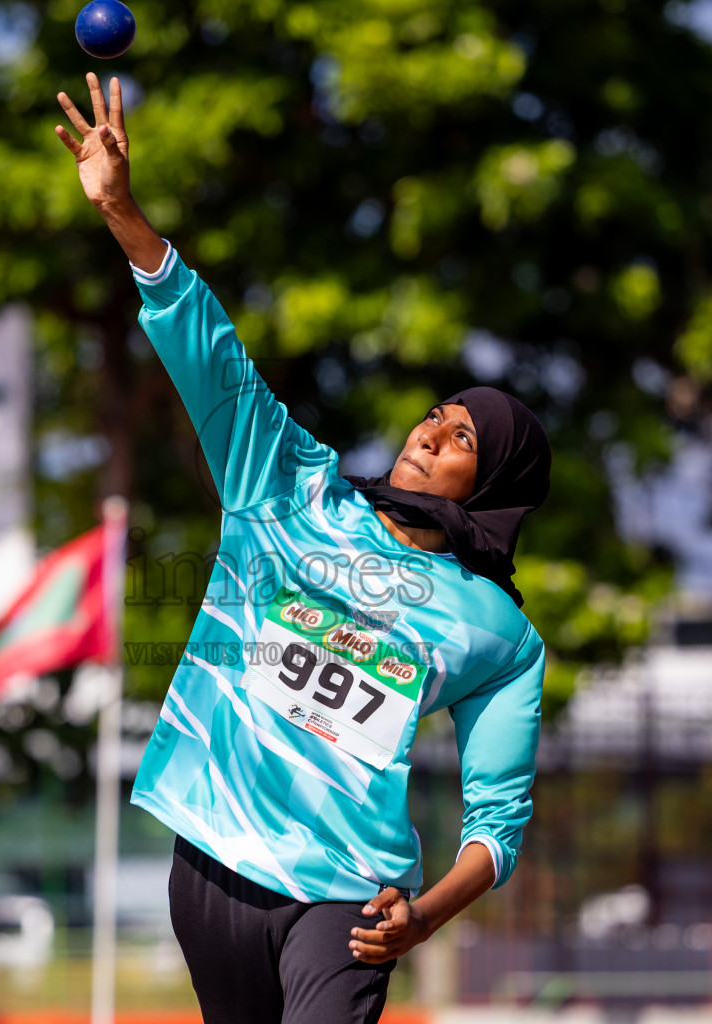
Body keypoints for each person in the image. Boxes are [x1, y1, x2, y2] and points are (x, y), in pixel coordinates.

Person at [55, 73, 550, 1024]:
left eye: (463, 444)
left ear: (489, 488)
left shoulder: (500, 634)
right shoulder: (289, 484)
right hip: (212, 861)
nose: (431, 436)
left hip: (347, 896)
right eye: (436, 418)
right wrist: (123, 214)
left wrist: (425, 918)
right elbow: (211, 351)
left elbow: (498, 822)